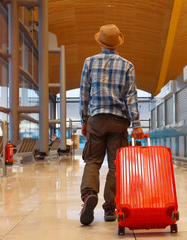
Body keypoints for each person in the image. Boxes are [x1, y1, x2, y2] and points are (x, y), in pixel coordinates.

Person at [79, 24, 144, 226]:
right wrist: (137, 124)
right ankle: (110, 208)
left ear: (100, 42)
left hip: (96, 119)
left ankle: (89, 194)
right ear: (117, 44)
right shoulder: (127, 65)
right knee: (116, 165)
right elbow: (131, 97)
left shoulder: (89, 62)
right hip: (119, 121)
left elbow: (84, 94)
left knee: (93, 160)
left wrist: (84, 120)